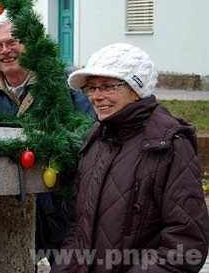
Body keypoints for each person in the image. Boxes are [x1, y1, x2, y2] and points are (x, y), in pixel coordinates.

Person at [51, 43, 209, 272]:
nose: (96, 97)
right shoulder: (96, 138)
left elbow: (185, 245)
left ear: (136, 89)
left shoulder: (168, 146)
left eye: (107, 87)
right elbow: (78, 230)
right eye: (91, 88)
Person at [0, 21, 94, 262]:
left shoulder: (63, 84)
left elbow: (88, 134)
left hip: (62, 205)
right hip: (6, 209)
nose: (5, 50)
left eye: (12, 42)